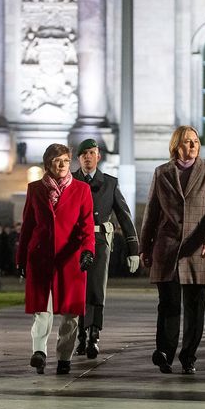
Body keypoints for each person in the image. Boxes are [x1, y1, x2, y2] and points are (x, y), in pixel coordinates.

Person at [140, 125, 205, 375]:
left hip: (199, 250)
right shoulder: (162, 172)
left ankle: (188, 355)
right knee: (168, 305)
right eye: (188, 142)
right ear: (176, 145)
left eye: (196, 141)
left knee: (195, 308)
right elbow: (151, 212)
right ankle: (164, 352)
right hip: (167, 250)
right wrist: (145, 247)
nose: (193, 146)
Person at [16, 143, 95, 375]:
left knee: (70, 314)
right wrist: (21, 259)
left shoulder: (81, 190)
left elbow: (87, 226)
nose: (62, 165)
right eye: (57, 161)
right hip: (40, 257)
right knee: (42, 309)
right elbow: (28, 226)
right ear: (48, 164)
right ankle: (39, 352)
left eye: (65, 160)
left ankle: (64, 357)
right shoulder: (35, 189)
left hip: (70, 260)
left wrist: (88, 251)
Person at [72, 139, 140, 359]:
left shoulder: (109, 183)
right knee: (78, 290)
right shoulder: (70, 181)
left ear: (98, 156)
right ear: (79, 158)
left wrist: (133, 248)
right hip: (75, 243)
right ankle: (80, 336)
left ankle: (94, 335)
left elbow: (124, 216)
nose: (88, 157)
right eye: (84, 154)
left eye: (92, 153)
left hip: (100, 240)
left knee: (96, 289)